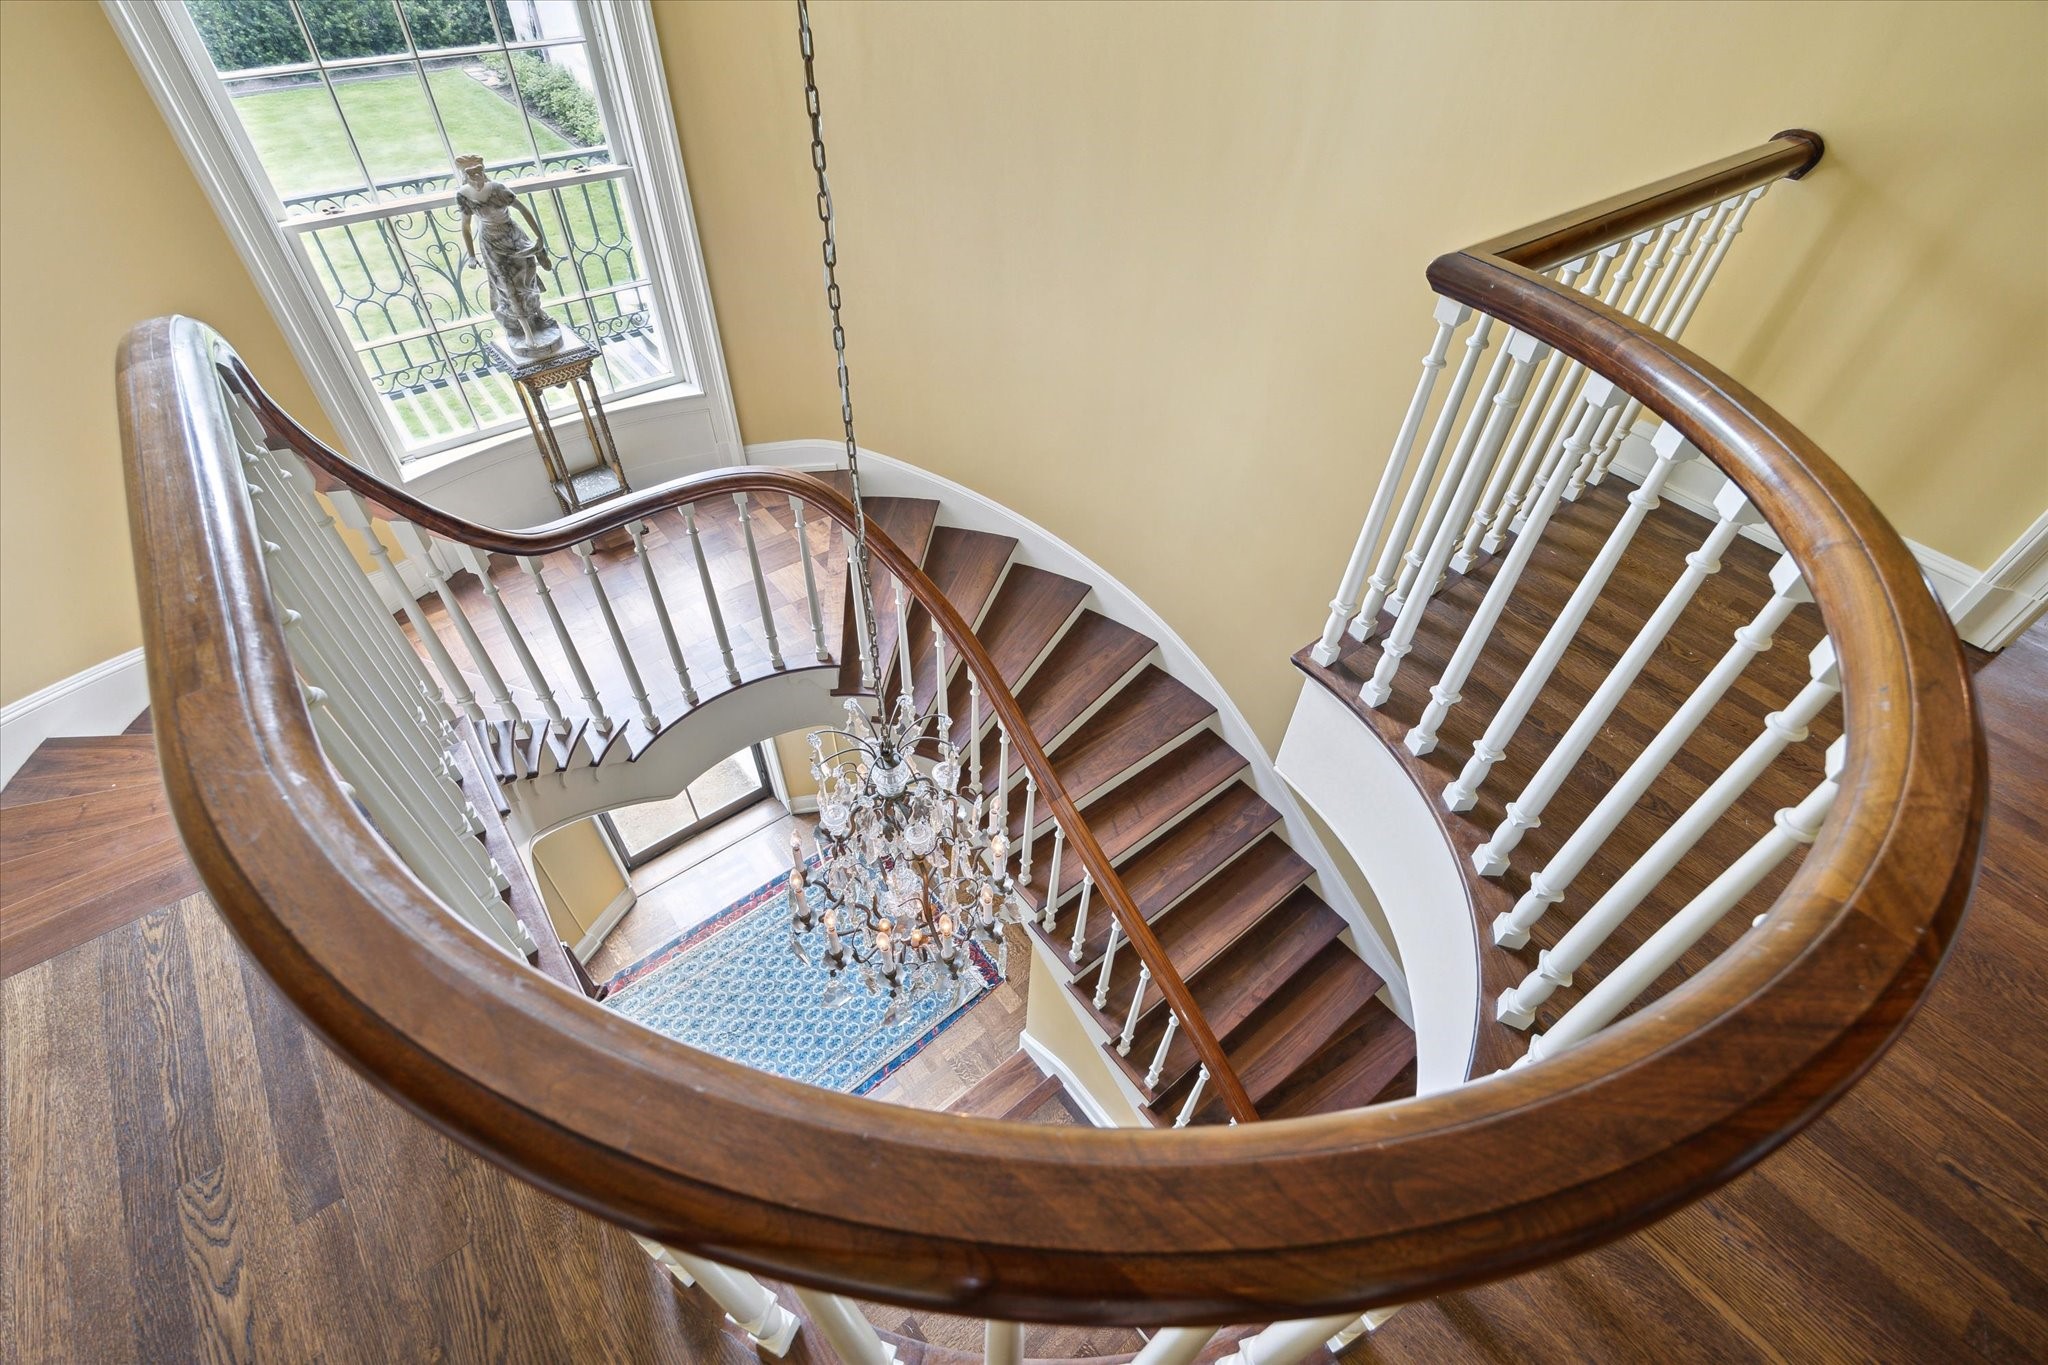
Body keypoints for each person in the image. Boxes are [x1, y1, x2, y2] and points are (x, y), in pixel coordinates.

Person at [455, 154, 564, 358]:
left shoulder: (498, 188)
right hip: (491, 243)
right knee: (508, 285)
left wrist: (539, 238)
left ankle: (537, 313)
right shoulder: (463, 195)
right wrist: (471, 255)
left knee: (529, 276)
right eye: (471, 173)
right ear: (464, 175)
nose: (476, 176)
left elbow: (523, 209)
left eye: (479, 170)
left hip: (514, 237)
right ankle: (527, 333)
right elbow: (466, 226)